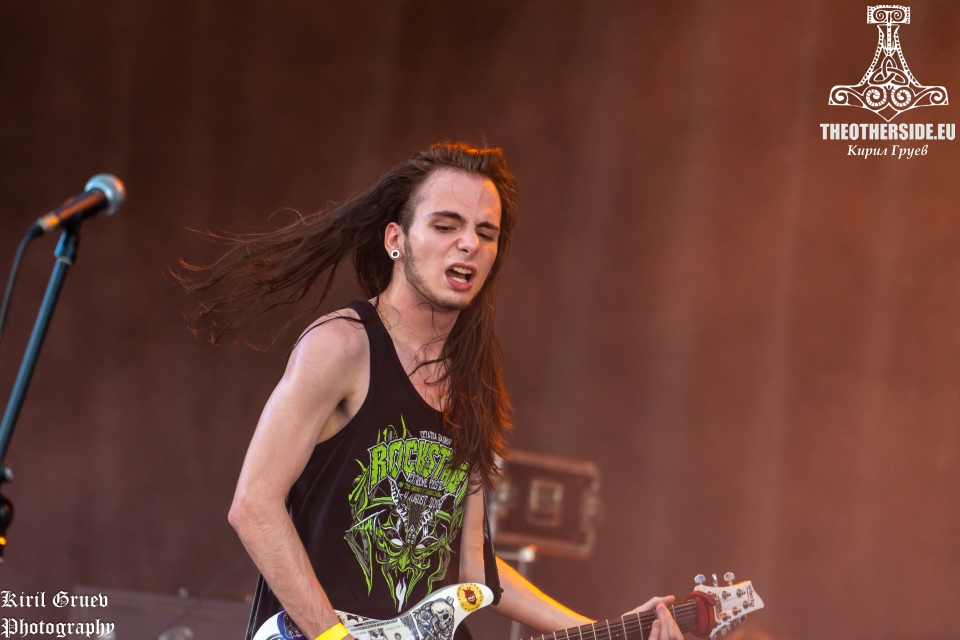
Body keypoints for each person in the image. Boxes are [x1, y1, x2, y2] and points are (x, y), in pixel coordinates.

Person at [183, 143, 683, 640]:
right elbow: (254, 506)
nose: (468, 244)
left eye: (485, 233)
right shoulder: (342, 345)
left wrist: (610, 631)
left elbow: (475, 569)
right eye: (446, 226)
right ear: (396, 239)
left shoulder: (472, 382)